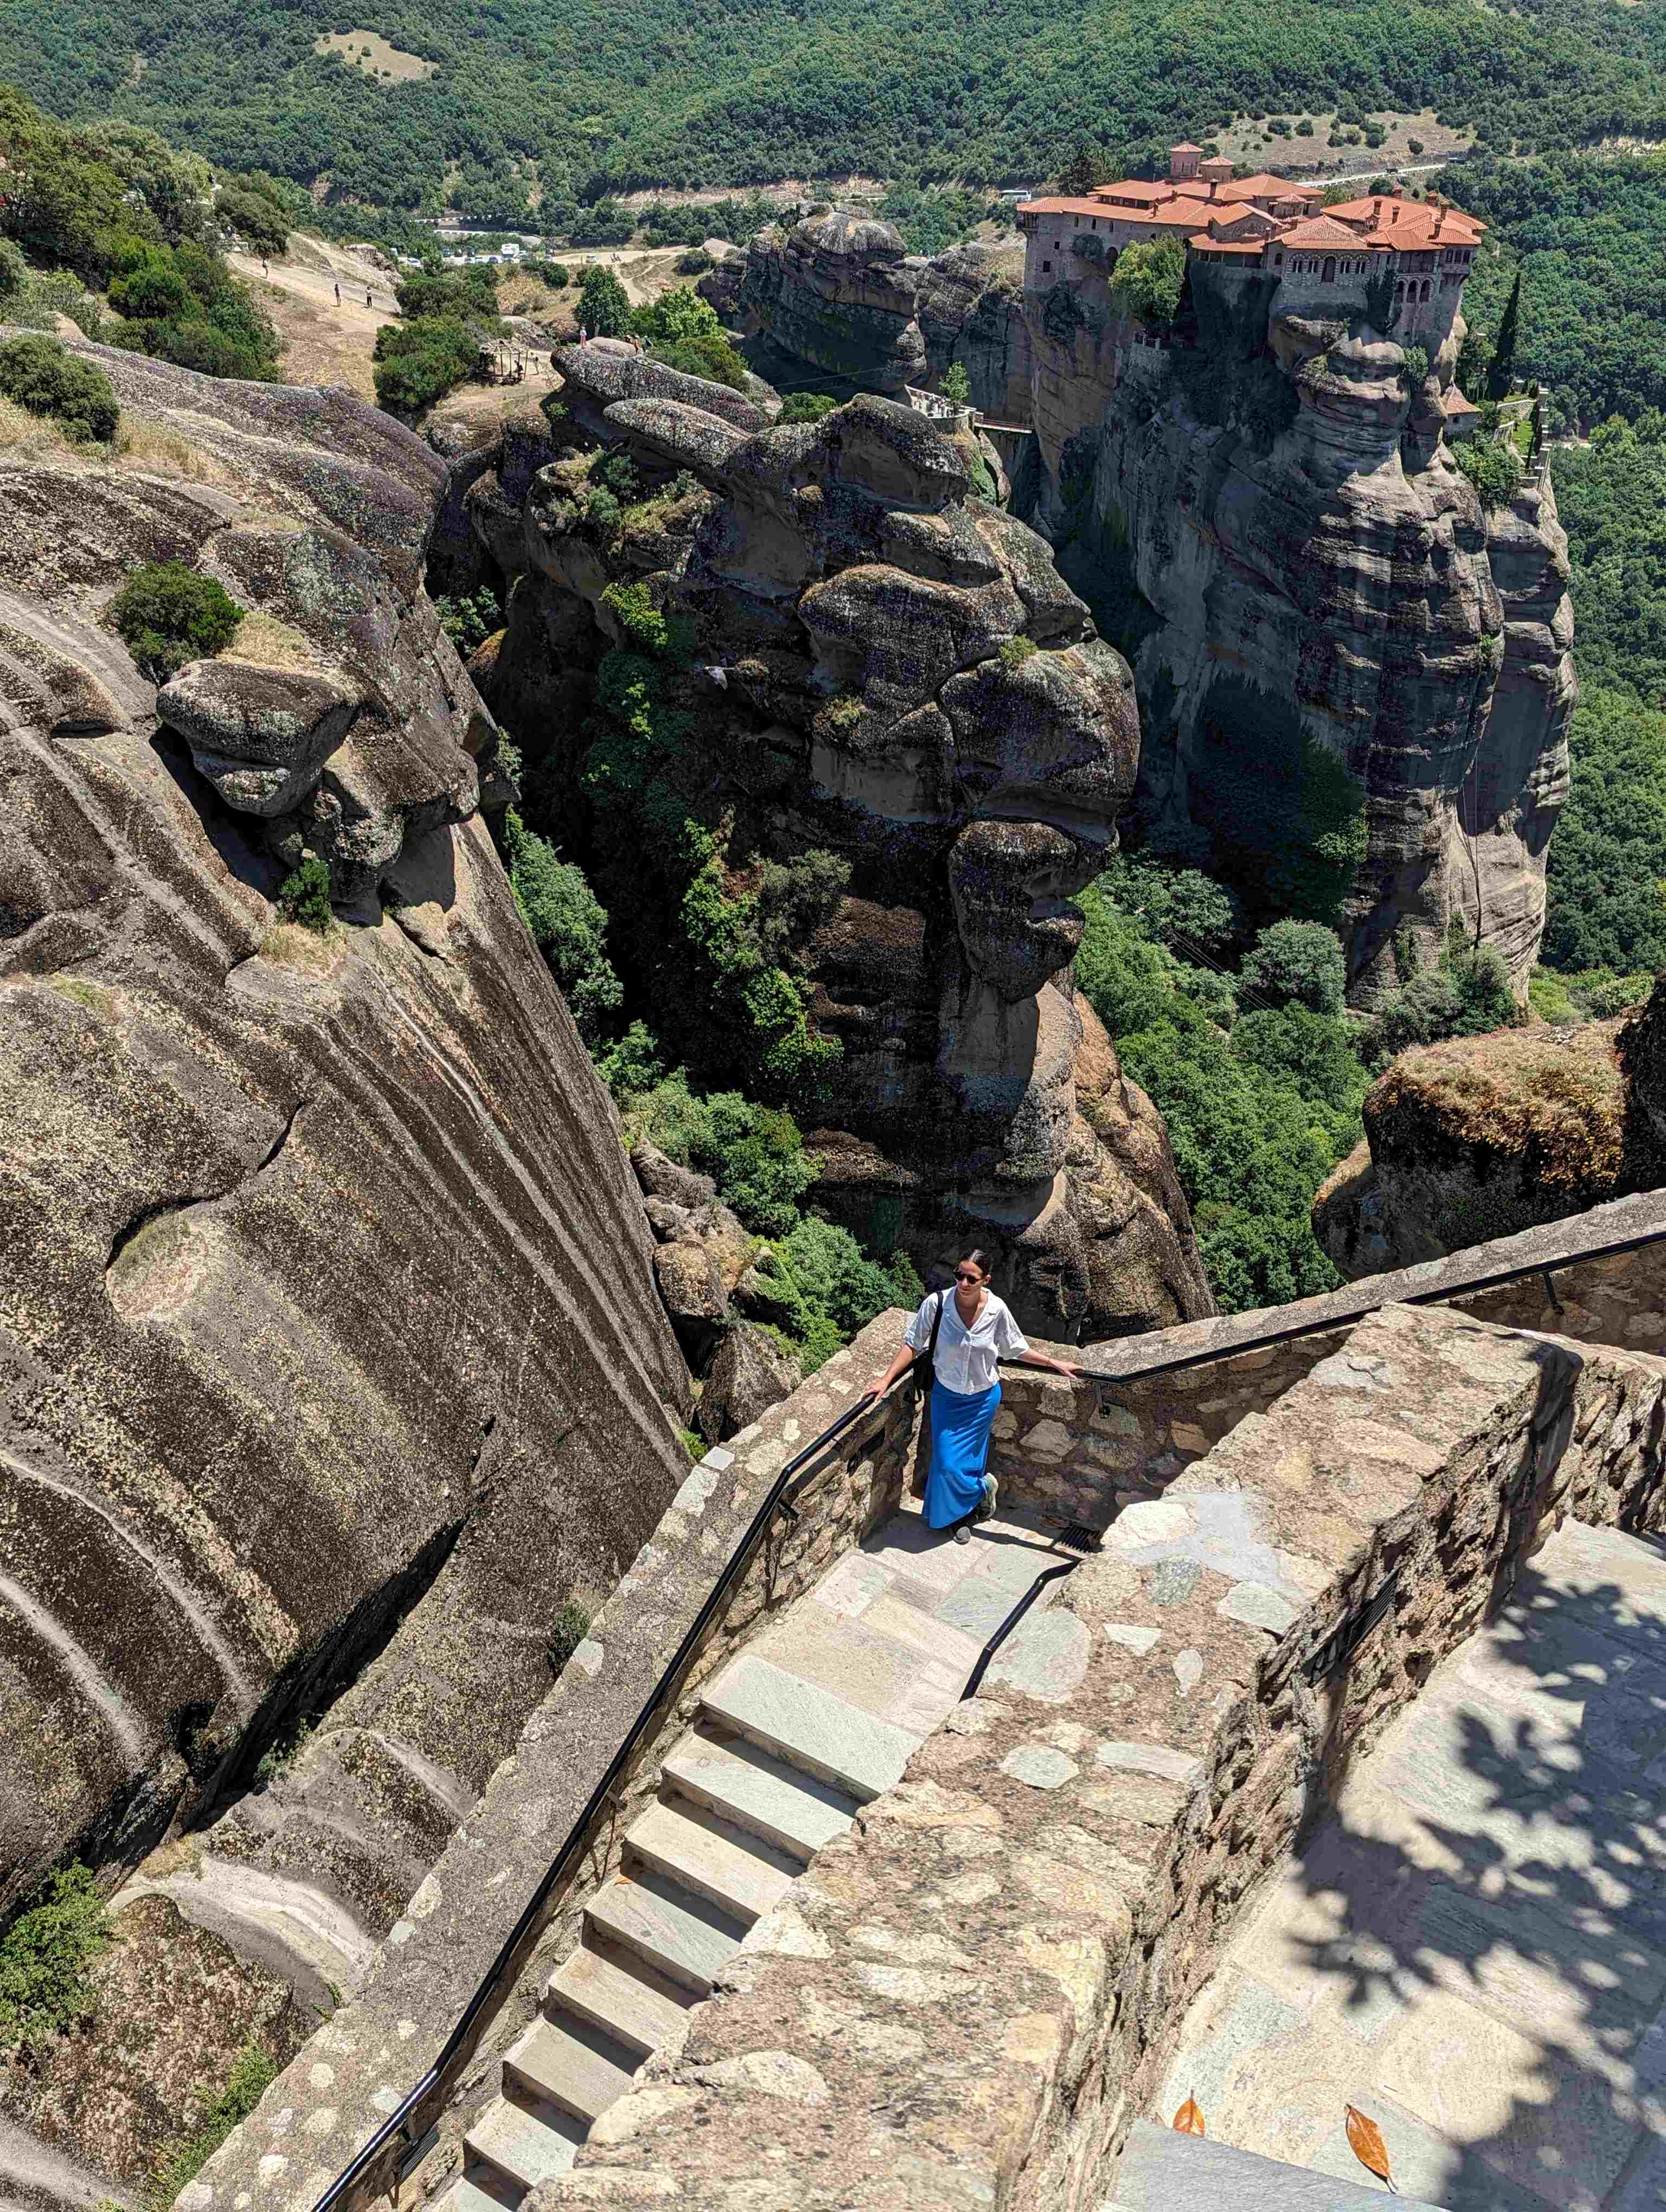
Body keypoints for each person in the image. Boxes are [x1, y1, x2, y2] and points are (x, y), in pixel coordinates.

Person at [868, 1251, 1081, 1542]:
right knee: (946, 1463)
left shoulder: (997, 1310)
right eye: (960, 1275)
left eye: (972, 1278)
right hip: (947, 1397)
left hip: (982, 1399)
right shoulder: (937, 1304)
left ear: (986, 1280)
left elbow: (1015, 1348)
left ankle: (961, 1517)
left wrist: (1054, 1363)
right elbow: (912, 1343)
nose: (964, 1283)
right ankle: (982, 1491)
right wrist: (885, 1378)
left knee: (968, 1462)